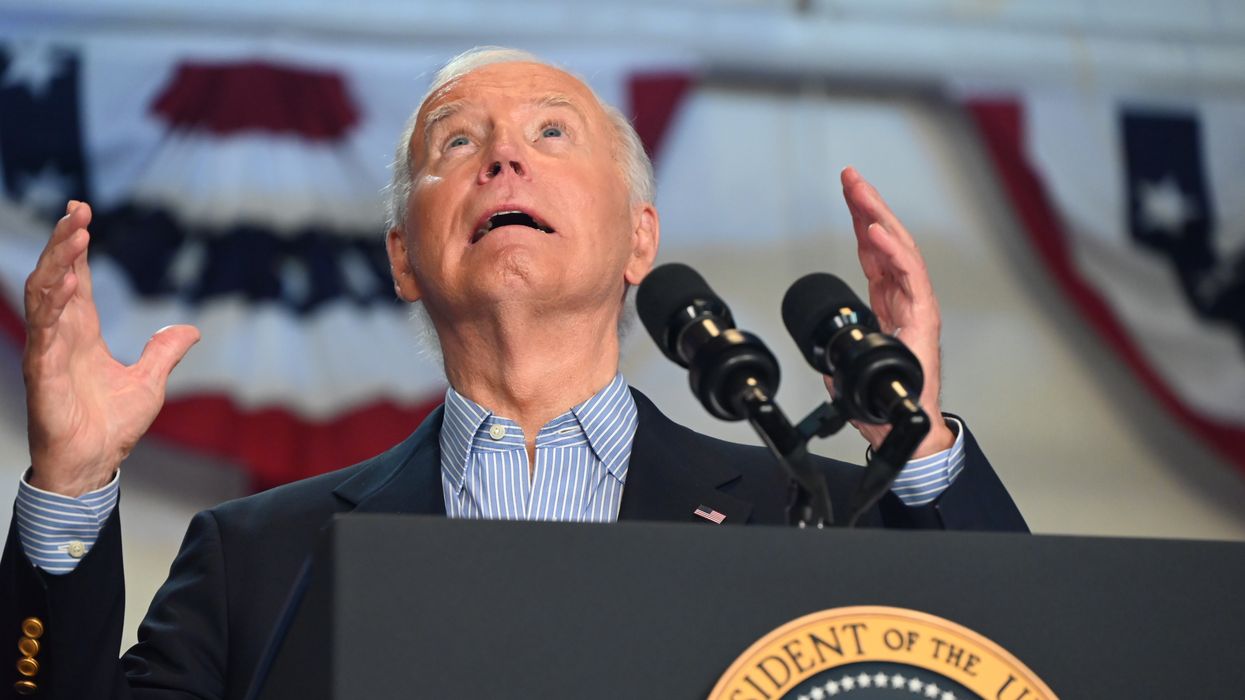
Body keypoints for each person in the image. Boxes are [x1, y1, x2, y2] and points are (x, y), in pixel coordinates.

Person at [2, 47, 1026, 699]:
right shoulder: (257, 559)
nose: (503, 158)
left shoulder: (815, 513)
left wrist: (916, 439)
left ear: (640, 240)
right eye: (459, 141)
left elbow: (1026, 660)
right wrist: (72, 483)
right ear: (404, 256)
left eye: (550, 133)